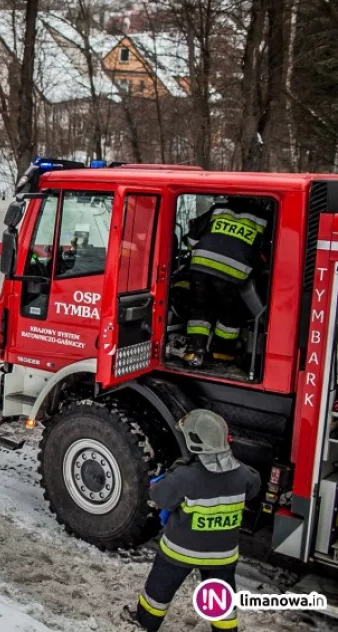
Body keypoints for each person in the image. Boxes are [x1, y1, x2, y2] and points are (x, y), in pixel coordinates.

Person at [122, 409, 260, 632]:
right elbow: (253, 488)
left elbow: (159, 496)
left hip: (179, 552)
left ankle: (145, 621)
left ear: (194, 443)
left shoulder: (184, 477)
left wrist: (169, 476)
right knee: (220, 596)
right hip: (222, 556)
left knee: (159, 589)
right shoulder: (245, 475)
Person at [182, 197, 270, 368]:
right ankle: (221, 352)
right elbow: (268, 250)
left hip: (201, 265)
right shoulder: (264, 218)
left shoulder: (219, 209)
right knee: (229, 312)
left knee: (200, 308)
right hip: (234, 271)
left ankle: (195, 349)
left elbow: (192, 238)